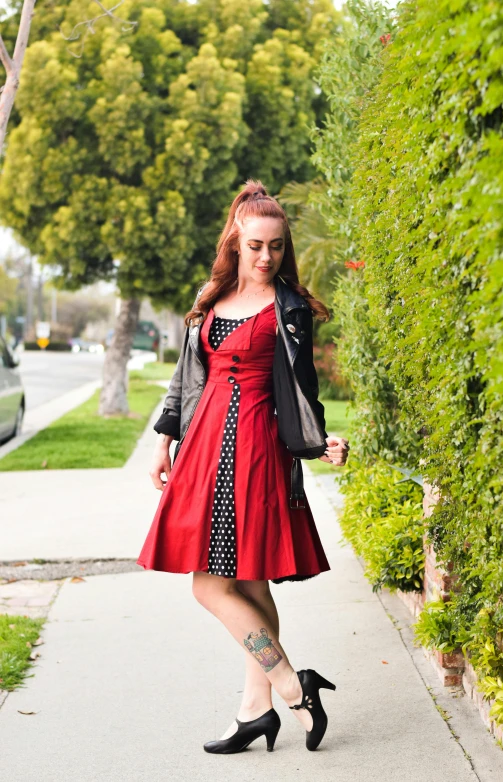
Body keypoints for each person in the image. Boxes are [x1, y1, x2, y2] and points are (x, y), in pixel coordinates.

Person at [136, 179, 349, 754]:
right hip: (204, 448)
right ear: (235, 241)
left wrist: (321, 441)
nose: (265, 257)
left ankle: (287, 688)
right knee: (240, 584)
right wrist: (163, 439)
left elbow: (303, 388)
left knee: (216, 584)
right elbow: (185, 378)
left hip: (255, 450)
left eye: (276, 246)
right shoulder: (210, 297)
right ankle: (259, 708)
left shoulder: (290, 308)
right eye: (256, 245)